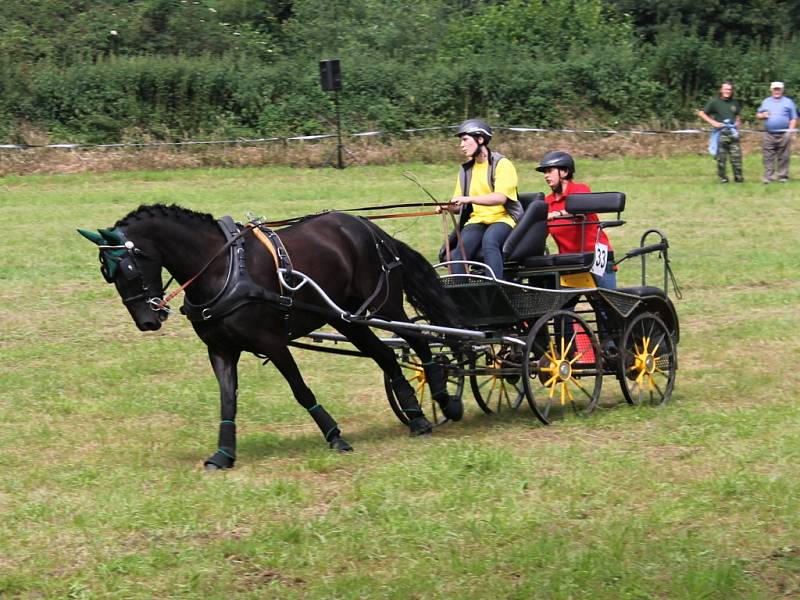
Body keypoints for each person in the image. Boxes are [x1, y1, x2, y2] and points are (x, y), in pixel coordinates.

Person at [438, 118, 521, 280]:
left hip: (503, 218)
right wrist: (447, 207)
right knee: (459, 251)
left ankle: (494, 289)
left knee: (490, 242)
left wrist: (468, 199)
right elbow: (459, 204)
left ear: (480, 139)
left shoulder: (502, 164)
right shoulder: (466, 171)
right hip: (477, 220)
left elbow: (500, 198)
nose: (461, 145)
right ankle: (462, 294)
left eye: (465, 140)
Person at [536, 150, 615, 289]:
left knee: (607, 304)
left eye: (549, 171)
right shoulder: (546, 202)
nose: (546, 176)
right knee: (564, 306)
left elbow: (581, 208)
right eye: (545, 172)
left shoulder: (580, 190)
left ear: (565, 172)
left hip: (596, 256)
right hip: (569, 261)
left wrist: (556, 214)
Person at [697, 81, 743, 183]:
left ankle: (738, 179)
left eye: (730, 90)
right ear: (721, 90)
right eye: (726, 89)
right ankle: (723, 179)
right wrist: (713, 122)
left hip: (733, 133)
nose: (728, 91)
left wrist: (738, 123)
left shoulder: (734, 102)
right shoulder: (715, 102)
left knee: (737, 158)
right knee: (721, 158)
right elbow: (701, 113)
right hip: (721, 133)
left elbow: (738, 115)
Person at [756, 82, 798, 184]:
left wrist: (790, 131)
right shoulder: (766, 102)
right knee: (768, 156)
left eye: (779, 89)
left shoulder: (789, 102)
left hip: (784, 133)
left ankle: (783, 176)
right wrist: (763, 116)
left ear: (782, 90)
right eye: (775, 89)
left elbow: (794, 118)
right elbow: (758, 115)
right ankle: (768, 177)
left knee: (783, 156)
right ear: (771, 90)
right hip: (768, 133)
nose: (777, 91)